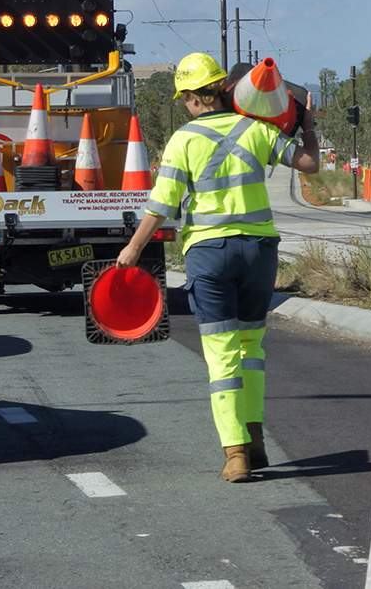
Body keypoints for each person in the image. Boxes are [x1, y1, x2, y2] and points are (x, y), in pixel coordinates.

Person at [117, 52, 319, 483]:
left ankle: (236, 456)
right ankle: (256, 439)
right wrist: (309, 126)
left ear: (191, 98)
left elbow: (162, 205)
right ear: (221, 91)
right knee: (251, 350)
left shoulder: (183, 140)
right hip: (259, 251)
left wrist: (134, 248)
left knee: (222, 356)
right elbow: (309, 164)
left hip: (209, 255)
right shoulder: (259, 129)